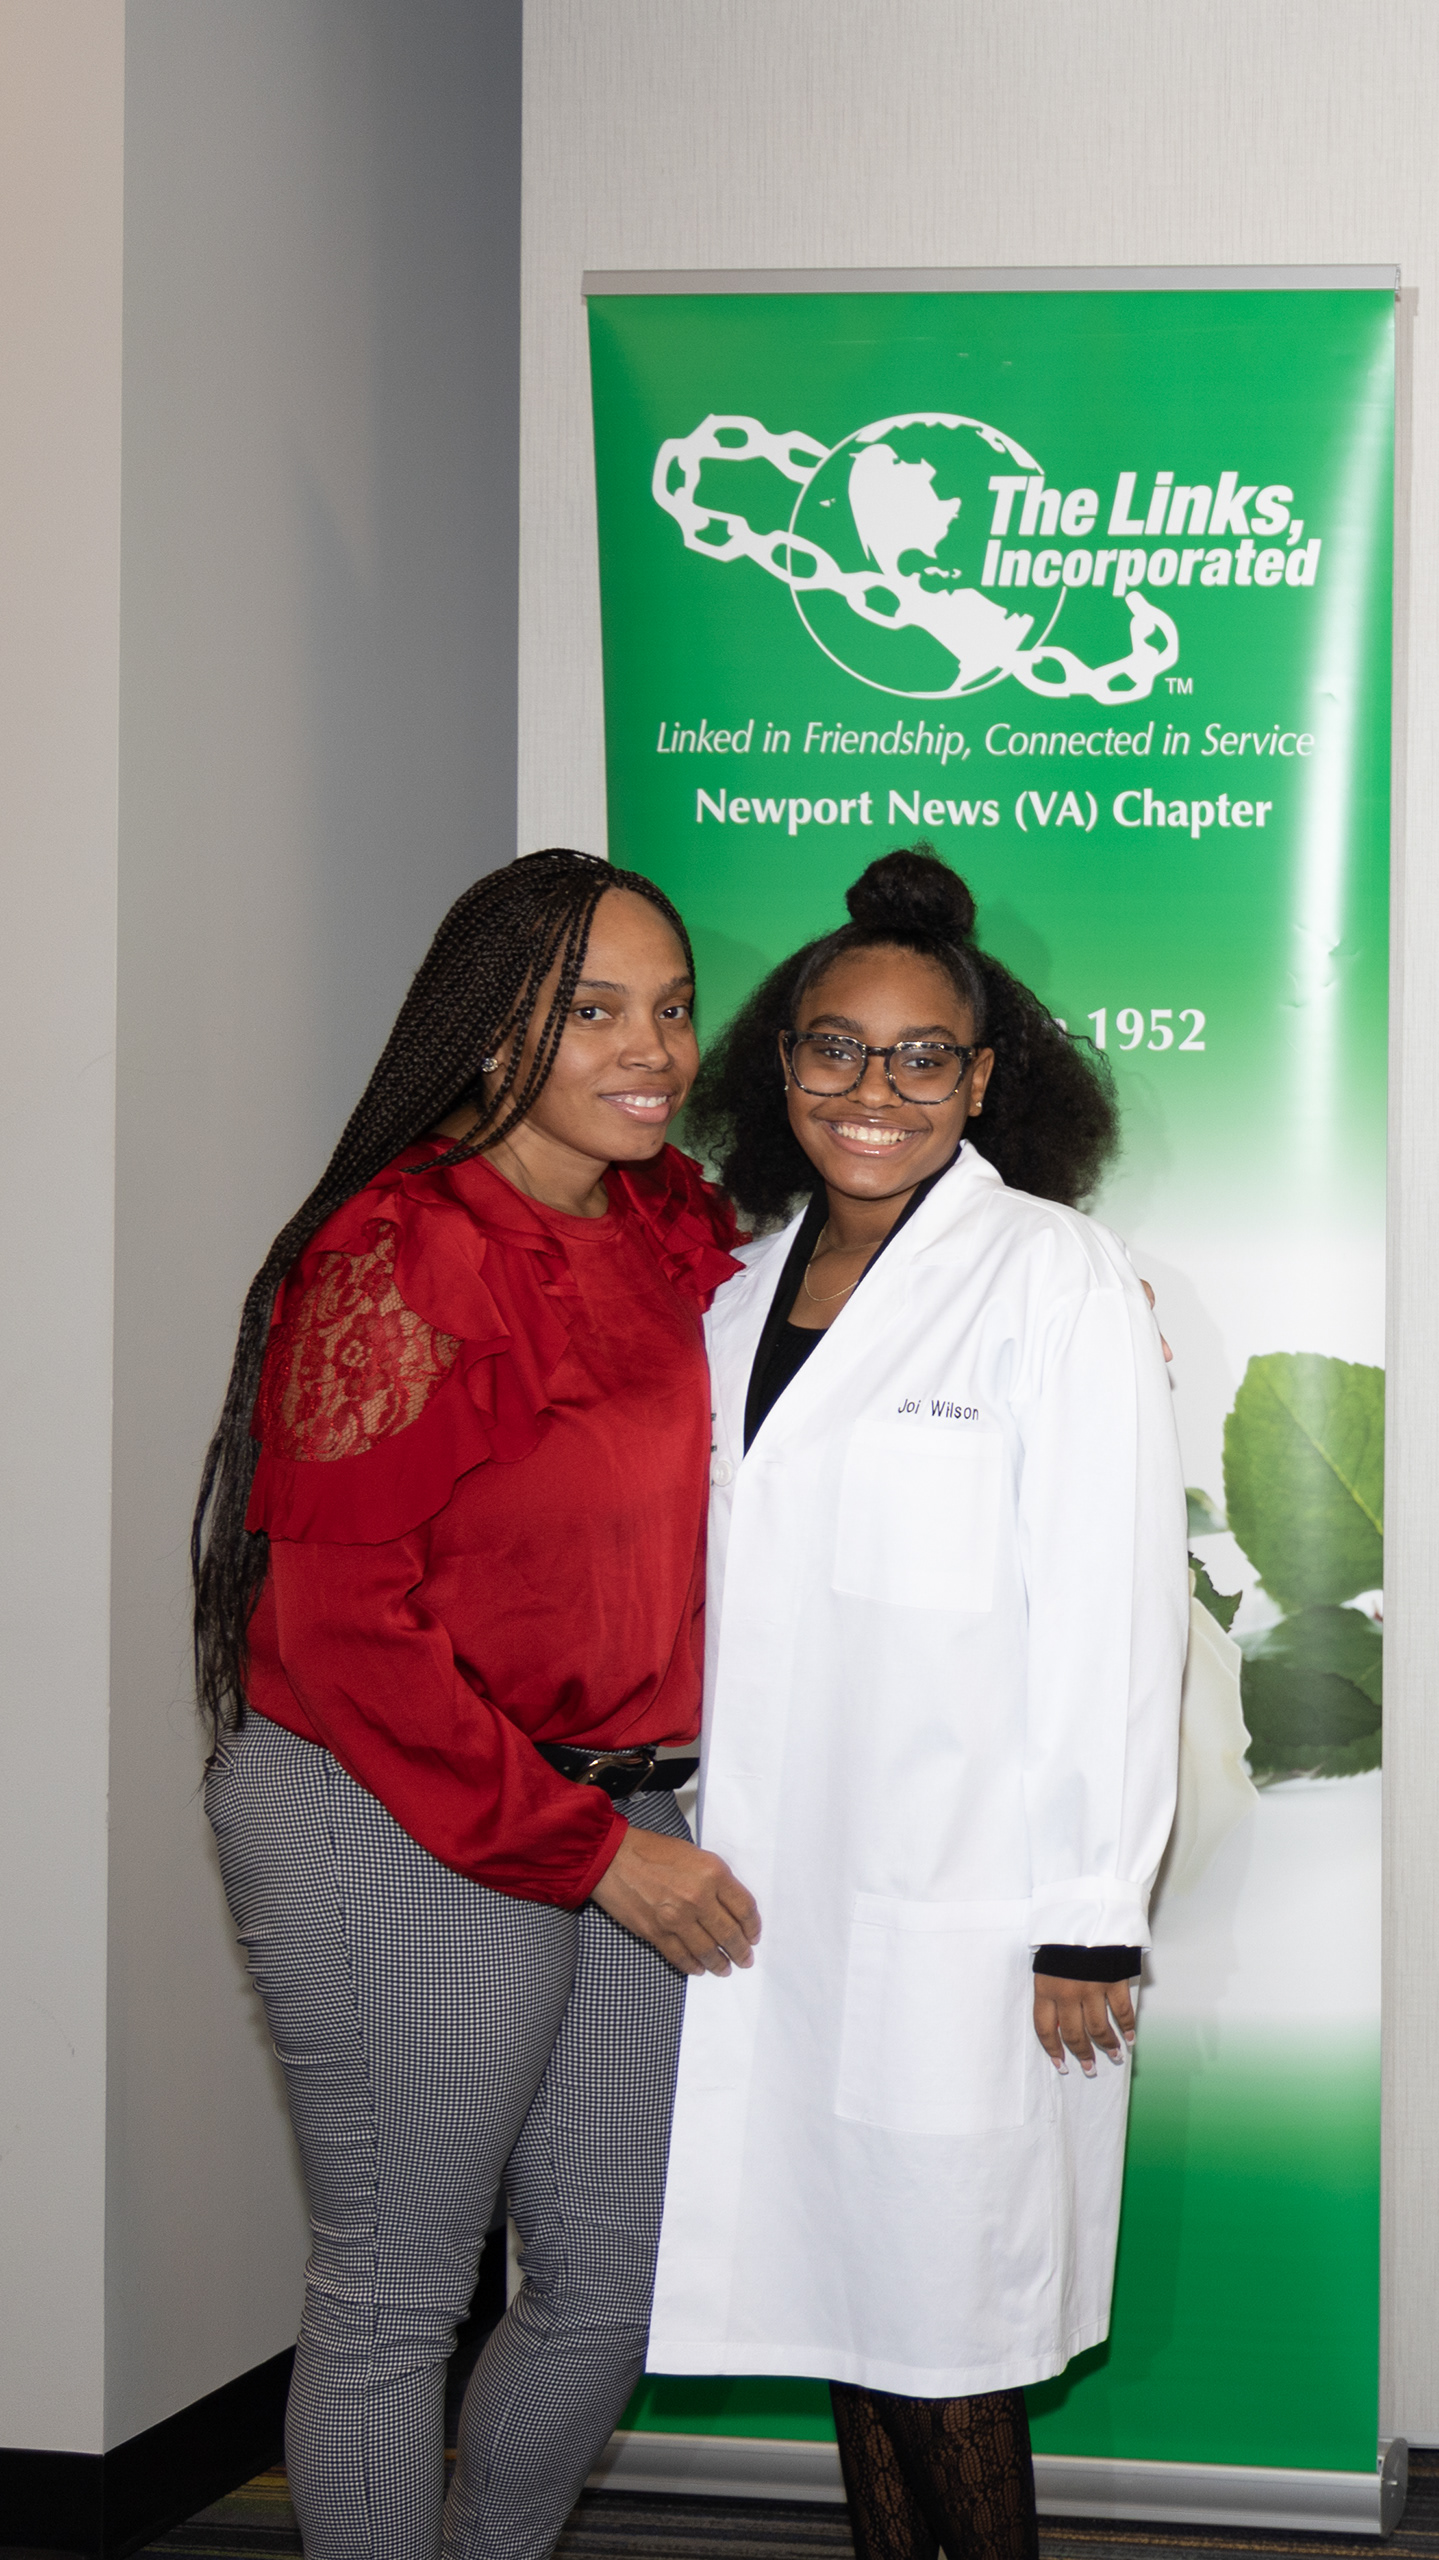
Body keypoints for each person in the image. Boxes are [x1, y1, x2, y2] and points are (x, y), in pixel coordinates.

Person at [193, 851, 760, 2560]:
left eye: (671, 1008)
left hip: (612, 1803)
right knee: (397, 2291)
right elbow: (343, 1632)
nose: (651, 1049)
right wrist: (593, 1851)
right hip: (396, 1801)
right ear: (489, 1027)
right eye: (593, 1011)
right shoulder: (404, 1247)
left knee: (613, 2281)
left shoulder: (663, 1220)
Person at [647, 851, 1181, 2560]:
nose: (872, 1089)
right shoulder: (736, 1290)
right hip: (771, 1893)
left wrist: (1090, 1910)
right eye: (835, 1047)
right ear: (779, 1061)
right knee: (850, 2314)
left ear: (985, 1077)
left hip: (968, 1905)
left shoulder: (1052, 1276)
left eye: (921, 1055)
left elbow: (1113, 1612)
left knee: (948, 2334)